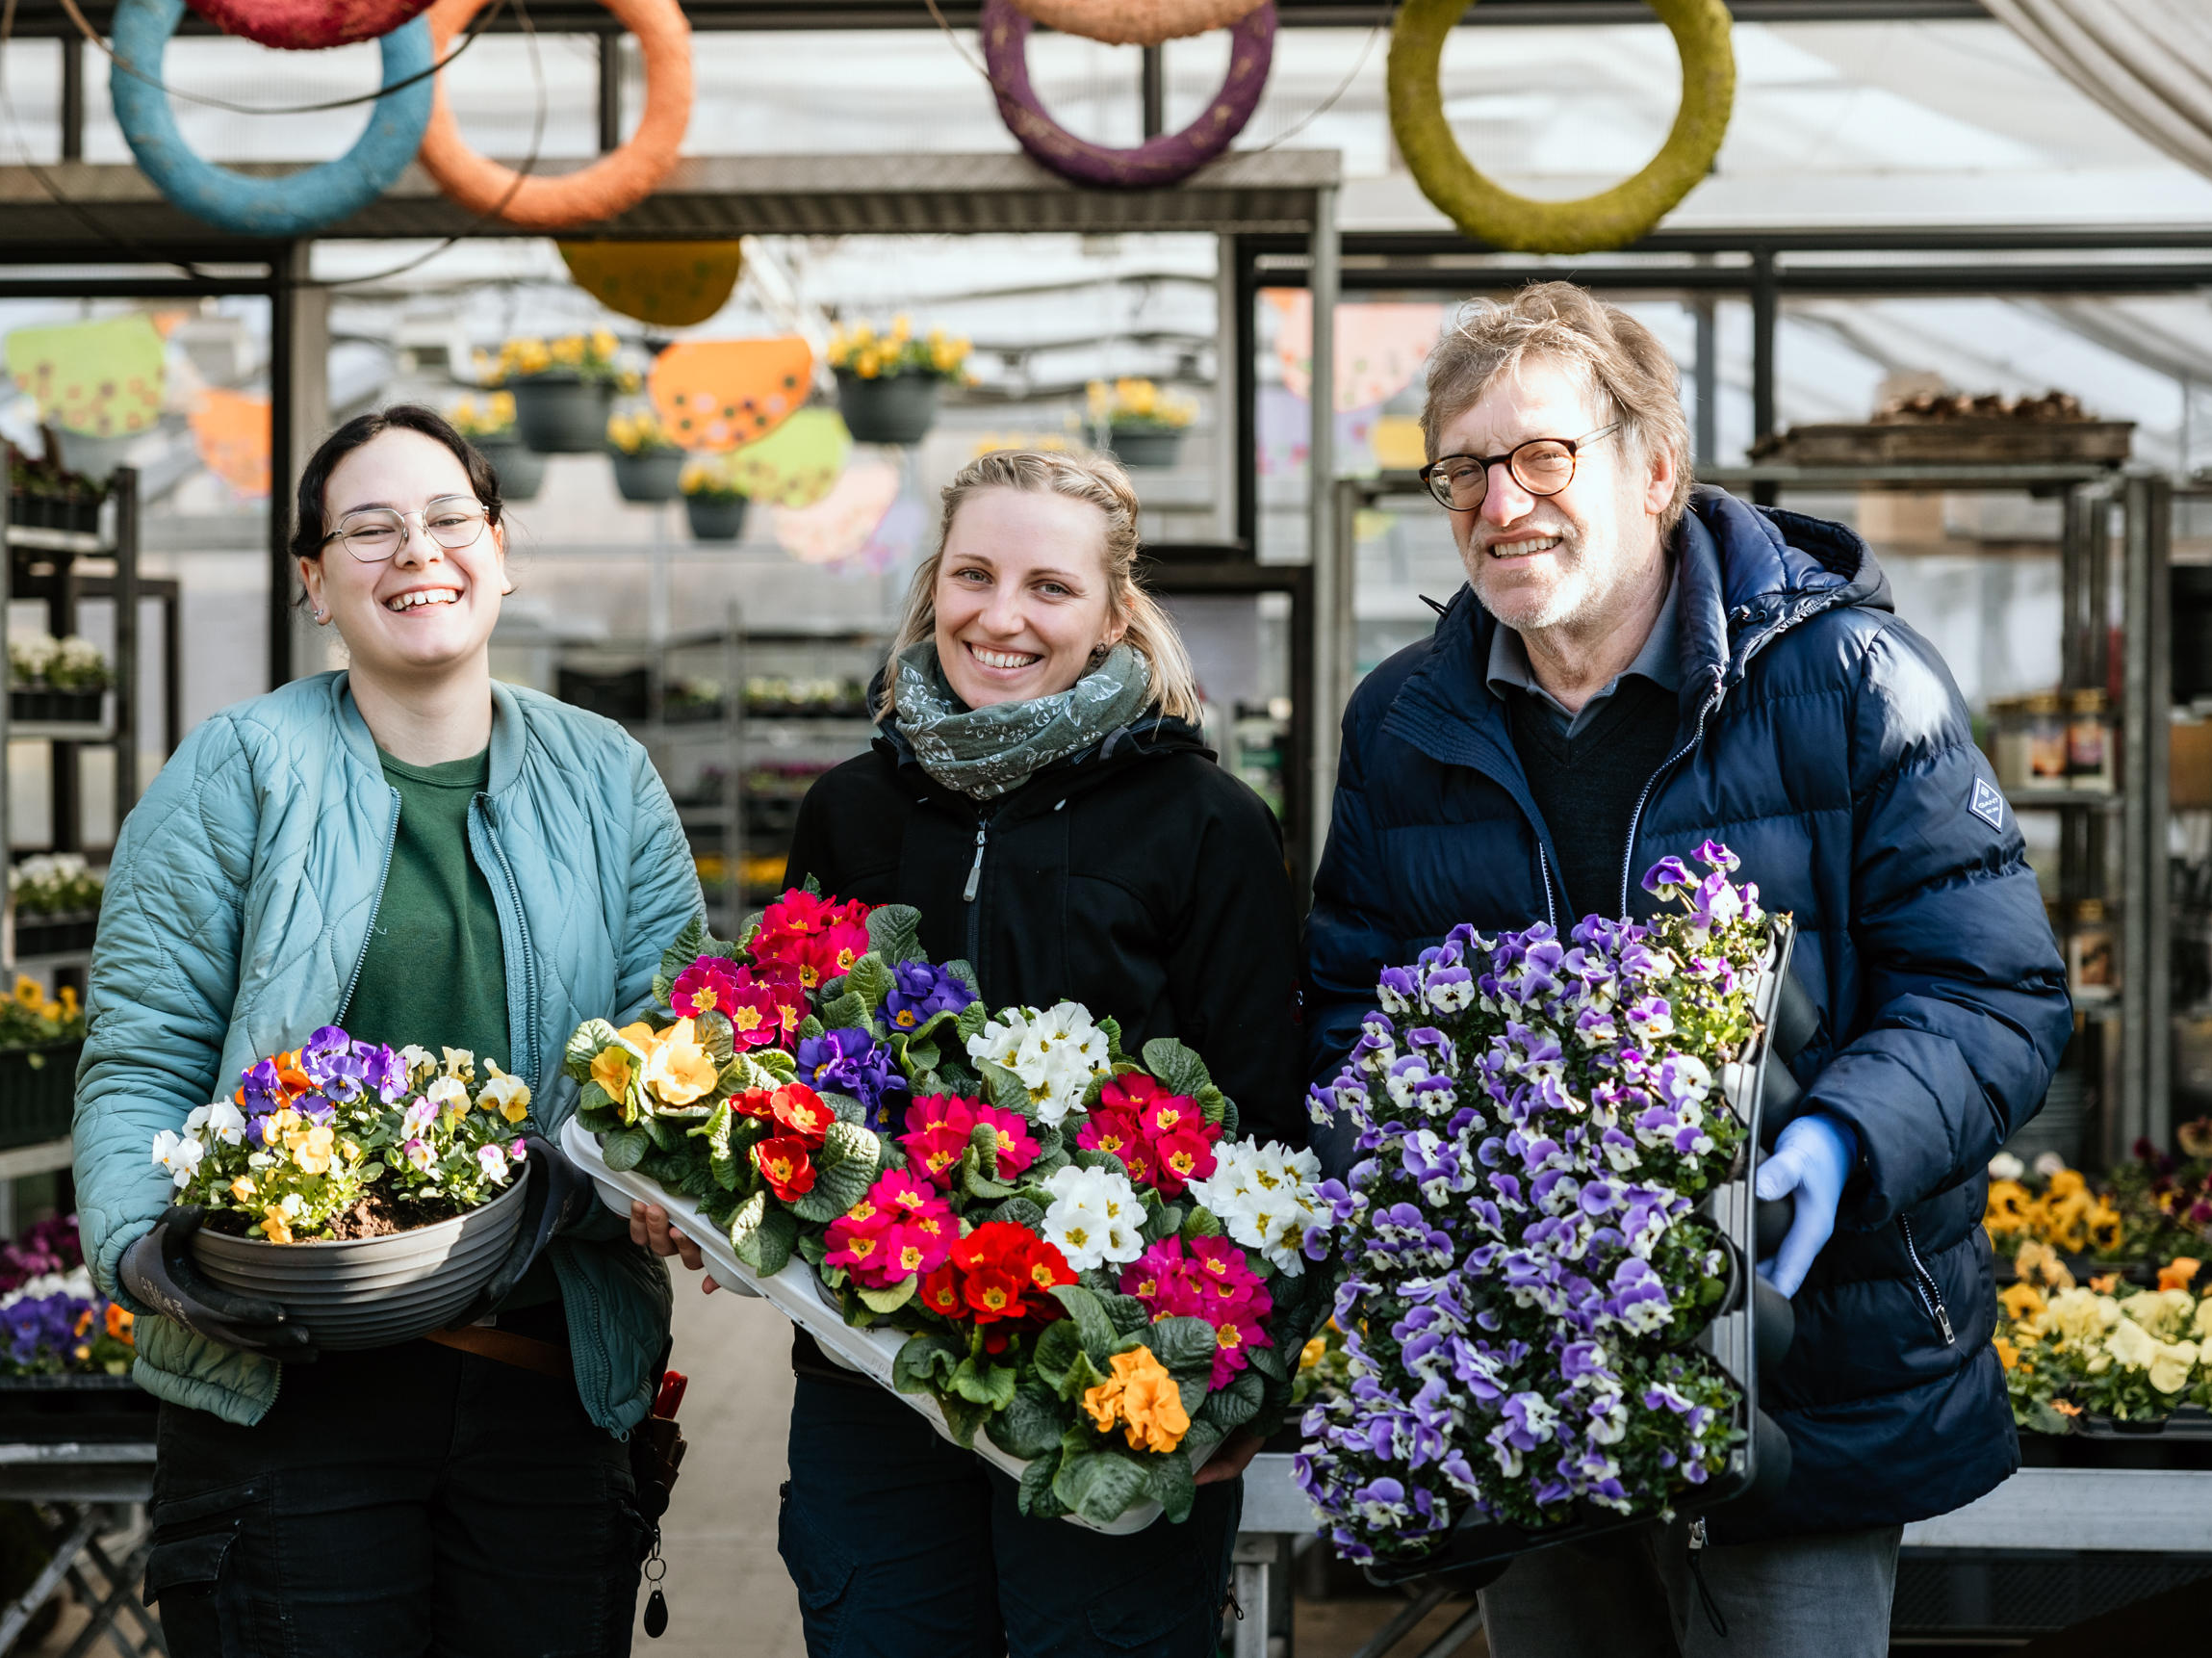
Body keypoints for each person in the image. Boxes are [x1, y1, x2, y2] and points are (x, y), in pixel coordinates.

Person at [1301, 284, 2072, 1656]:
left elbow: (1991, 987)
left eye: (1543, 456)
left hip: (1805, 1351)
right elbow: (1349, 1006)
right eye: (1461, 470)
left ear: (1653, 470)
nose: (1499, 503)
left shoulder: (1846, 680)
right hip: (1517, 1365)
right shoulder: (1402, 722)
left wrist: (1837, 1138)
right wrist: (1412, 1188)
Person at [632, 449, 1300, 1656]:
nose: (1001, 616)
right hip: (871, 1367)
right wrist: (701, 1170)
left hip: (1109, 1382)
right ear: (933, 583)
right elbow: (786, 1064)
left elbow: (1264, 1122)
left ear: (1112, 613)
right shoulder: (851, 808)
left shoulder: (1209, 826)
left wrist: (1242, 1383)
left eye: (1050, 587)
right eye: (973, 574)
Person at [71, 404, 705, 1656]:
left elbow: (669, 1041)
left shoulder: (607, 776)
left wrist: (664, 1171)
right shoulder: (239, 769)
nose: (415, 550)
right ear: (314, 580)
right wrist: (145, 1254)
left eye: (446, 518)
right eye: (368, 528)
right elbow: (141, 1052)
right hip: (289, 1388)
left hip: (545, 1382)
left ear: (500, 548)